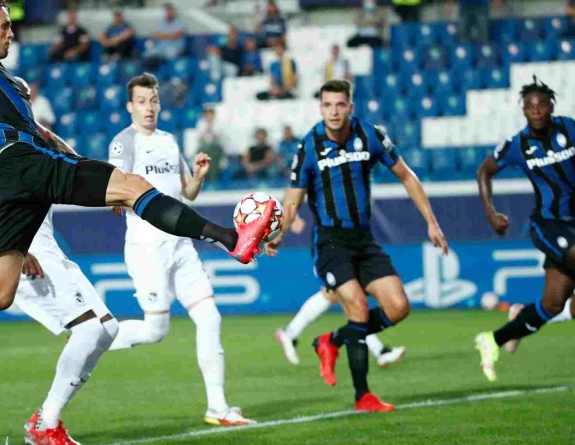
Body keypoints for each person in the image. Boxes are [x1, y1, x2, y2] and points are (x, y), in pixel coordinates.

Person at [0, 0, 271, 322]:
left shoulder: (8, 81)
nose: (12, 33)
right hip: (22, 161)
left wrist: (86, 167)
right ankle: (230, 238)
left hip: (7, 178)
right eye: (5, 25)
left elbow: (44, 134)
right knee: (135, 187)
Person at [266, 80, 448, 412]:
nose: (334, 112)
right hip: (330, 242)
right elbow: (292, 200)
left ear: (350, 107)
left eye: (340, 105)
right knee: (358, 307)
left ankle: (331, 340)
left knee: (398, 307)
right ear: (320, 108)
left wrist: (431, 222)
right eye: (328, 105)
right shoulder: (309, 146)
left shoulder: (369, 134)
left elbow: (407, 175)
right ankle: (363, 395)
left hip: (363, 239)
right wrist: (280, 233)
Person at [0, 76, 118, 445]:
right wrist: (18, 249)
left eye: (25, 97)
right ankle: (46, 424)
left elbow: (71, 159)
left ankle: (45, 419)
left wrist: (111, 186)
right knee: (89, 330)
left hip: (48, 248)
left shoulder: (32, 141)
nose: (24, 102)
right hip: (26, 251)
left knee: (108, 329)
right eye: (18, 97)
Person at [107, 73, 255, 427]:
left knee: (210, 318)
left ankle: (217, 407)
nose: (148, 107)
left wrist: (198, 177)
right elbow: (114, 193)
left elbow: (187, 194)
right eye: (141, 101)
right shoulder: (123, 143)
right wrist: (121, 199)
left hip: (181, 247)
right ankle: (93, 337)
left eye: (153, 100)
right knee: (156, 330)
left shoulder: (169, 141)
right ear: (130, 106)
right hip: (147, 248)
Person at [474, 77, 575, 381]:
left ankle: (493, 339)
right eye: (530, 107)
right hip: (549, 224)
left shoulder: (569, 128)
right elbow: (484, 171)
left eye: (541, 105)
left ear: (551, 107)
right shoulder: (517, 145)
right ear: (523, 111)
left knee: (552, 305)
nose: (536, 111)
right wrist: (490, 212)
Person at [275, 288, 406, 367]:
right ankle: (379, 351)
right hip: (334, 253)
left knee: (342, 295)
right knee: (342, 294)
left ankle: (290, 331)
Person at [196, 107, 227, 182]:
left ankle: (212, 178)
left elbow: (218, 137)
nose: (209, 116)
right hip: (204, 146)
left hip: (216, 146)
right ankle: (210, 178)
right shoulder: (201, 123)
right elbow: (200, 137)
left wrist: (211, 129)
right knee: (206, 150)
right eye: (207, 115)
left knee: (213, 150)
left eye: (211, 114)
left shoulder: (218, 123)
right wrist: (207, 128)